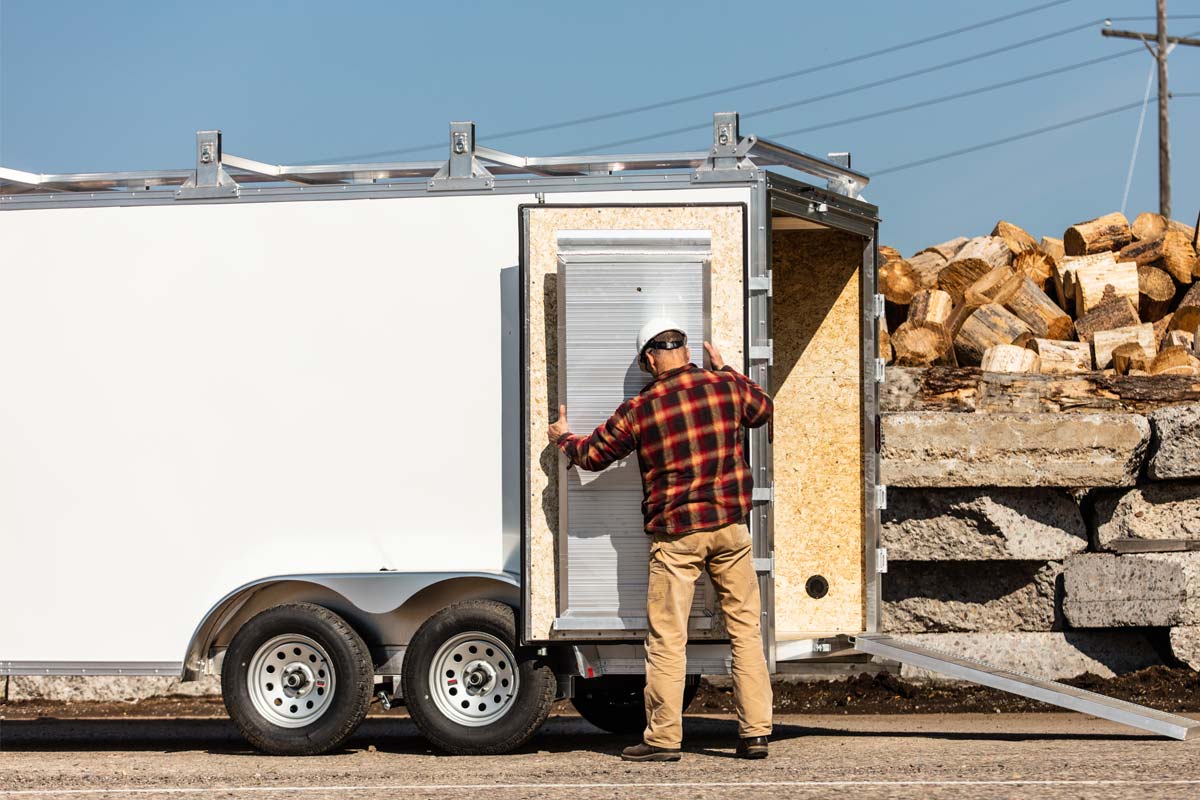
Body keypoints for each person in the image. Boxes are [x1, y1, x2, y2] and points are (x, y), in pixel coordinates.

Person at [547, 318, 773, 762]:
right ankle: (755, 734)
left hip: (677, 538)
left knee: (669, 639)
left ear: (649, 360)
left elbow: (593, 455)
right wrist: (726, 369)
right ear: (686, 350)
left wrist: (563, 439)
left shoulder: (642, 407)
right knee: (745, 631)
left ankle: (664, 739)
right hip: (730, 529)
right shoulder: (723, 386)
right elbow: (763, 409)